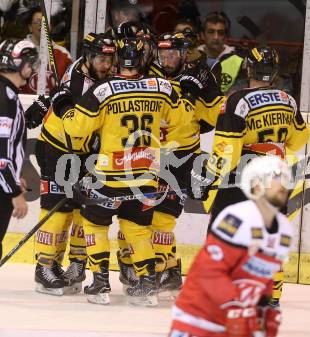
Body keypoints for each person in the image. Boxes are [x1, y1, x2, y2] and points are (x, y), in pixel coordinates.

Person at [50, 24, 199, 306]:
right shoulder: (162, 87)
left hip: (110, 178)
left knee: (94, 225)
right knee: (137, 228)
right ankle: (146, 286)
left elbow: (77, 129)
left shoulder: (103, 90)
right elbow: (182, 122)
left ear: (118, 59)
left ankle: (101, 284)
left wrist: (63, 105)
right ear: (143, 59)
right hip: (146, 177)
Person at [189, 46, 310, 306]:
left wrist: (208, 177)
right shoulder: (287, 100)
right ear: (275, 72)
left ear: (248, 69)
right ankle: (270, 295)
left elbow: (227, 150)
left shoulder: (237, 101)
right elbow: (300, 138)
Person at [24, 33, 116, 297]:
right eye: (100, 58)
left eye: (110, 58)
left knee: (83, 209)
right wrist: (48, 101)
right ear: (88, 57)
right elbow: (67, 99)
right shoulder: (79, 81)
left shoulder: (98, 75)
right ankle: (45, 266)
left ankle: (76, 263)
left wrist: (46, 99)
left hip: (86, 150)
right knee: (58, 206)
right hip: (57, 147)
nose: (106, 64)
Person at [169, 155, 293, 337]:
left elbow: (263, 277)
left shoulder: (284, 230)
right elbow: (208, 272)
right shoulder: (237, 218)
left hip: (235, 320)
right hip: (199, 318)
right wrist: (233, 305)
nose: (282, 183)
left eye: (285, 177)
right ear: (256, 185)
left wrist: (264, 308)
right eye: (275, 177)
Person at [141, 31, 223, 299]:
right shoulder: (149, 73)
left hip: (182, 158)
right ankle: (168, 269)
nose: (166, 59)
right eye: (163, 54)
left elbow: (211, 121)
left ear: (183, 54)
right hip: (151, 156)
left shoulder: (198, 76)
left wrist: (208, 85)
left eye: (172, 55)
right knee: (145, 217)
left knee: (164, 218)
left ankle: (164, 269)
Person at [0, 39, 38, 259]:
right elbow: (1, 154)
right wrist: (14, 193)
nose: (33, 68)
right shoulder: (5, 98)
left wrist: (14, 178)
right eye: (31, 62)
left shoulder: (7, 93)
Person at [21, 6, 72, 94]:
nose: (41, 24)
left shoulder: (63, 54)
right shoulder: (20, 51)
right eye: (37, 22)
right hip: (24, 104)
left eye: (45, 22)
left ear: (50, 26)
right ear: (30, 27)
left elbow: (70, 85)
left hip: (53, 105)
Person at [198, 11, 246, 94]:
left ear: (225, 36)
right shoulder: (193, 56)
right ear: (202, 35)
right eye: (211, 32)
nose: (216, 37)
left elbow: (240, 90)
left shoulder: (238, 58)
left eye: (220, 33)